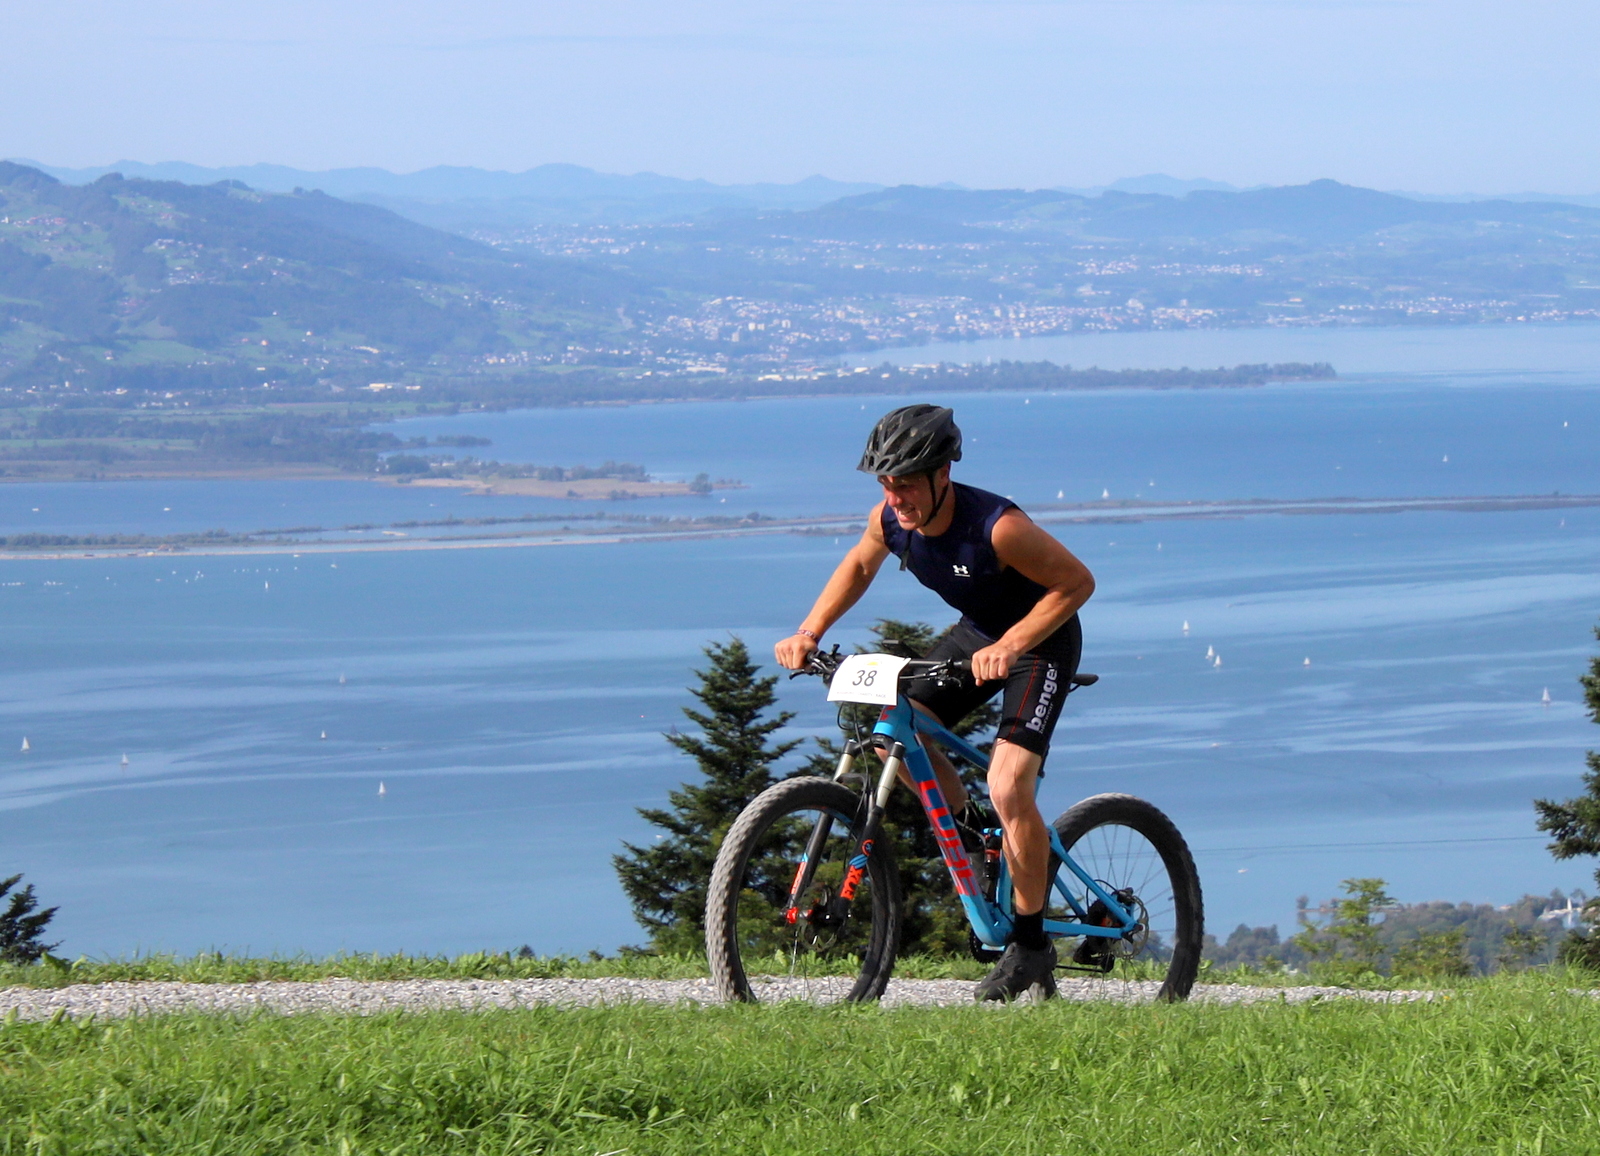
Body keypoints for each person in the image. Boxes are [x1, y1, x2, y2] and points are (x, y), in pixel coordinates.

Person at [774, 403, 1096, 1001]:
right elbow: (859, 565)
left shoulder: (997, 526)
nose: (895, 498)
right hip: (979, 634)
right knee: (896, 733)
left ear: (942, 474)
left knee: (1008, 786)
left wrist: (1012, 644)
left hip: (1041, 642)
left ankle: (1030, 944)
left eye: (906, 485)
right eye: (886, 484)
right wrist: (810, 631)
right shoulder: (890, 520)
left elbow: (1076, 583)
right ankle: (973, 836)